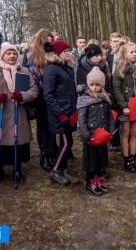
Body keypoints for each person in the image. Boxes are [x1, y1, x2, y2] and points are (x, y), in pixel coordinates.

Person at [0, 43, 38, 182]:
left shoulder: (24, 71)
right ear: (2, 55)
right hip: (2, 113)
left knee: (18, 141)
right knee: (2, 141)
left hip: (19, 112)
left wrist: (22, 96)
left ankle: (17, 169)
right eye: (8, 53)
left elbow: (34, 90)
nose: (12, 56)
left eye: (14, 53)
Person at [43, 39, 78, 185]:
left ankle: (64, 169)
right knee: (66, 143)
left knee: (67, 142)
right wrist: (60, 113)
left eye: (68, 50)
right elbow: (48, 95)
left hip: (69, 112)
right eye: (65, 51)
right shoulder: (51, 69)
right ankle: (56, 170)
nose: (68, 53)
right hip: (60, 113)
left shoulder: (67, 67)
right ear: (57, 54)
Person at [113, 42, 136, 172]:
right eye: (131, 52)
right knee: (126, 133)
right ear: (124, 54)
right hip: (126, 107)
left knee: (135, 133)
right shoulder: (119, 69)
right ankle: (126, 158)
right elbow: (116, 89)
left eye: (135, 51)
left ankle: (133, 156)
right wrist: (123, 106)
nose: (135, 54)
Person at [77, 67, 114, 195]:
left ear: (101, 85)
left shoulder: (105, 99)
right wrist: (86, 135)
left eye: (97, 85)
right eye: (91, 84)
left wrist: (111, 130)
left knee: (100, 159)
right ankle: (90, 182)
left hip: (102, 135)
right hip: (91, 137)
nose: (94, 87)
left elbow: (109, 116)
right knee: (91, 161)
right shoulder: (84, 99)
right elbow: (81, 119)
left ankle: (98, 180)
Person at [24, 28, 56, 171]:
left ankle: (50, 152)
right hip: (40, 94)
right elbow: (31, 74)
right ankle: (44, 154)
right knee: (42, 125)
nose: (49, 44)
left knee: (51, 126)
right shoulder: (32, 55)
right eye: (47, 41)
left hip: (52, 94)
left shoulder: (51, 53)